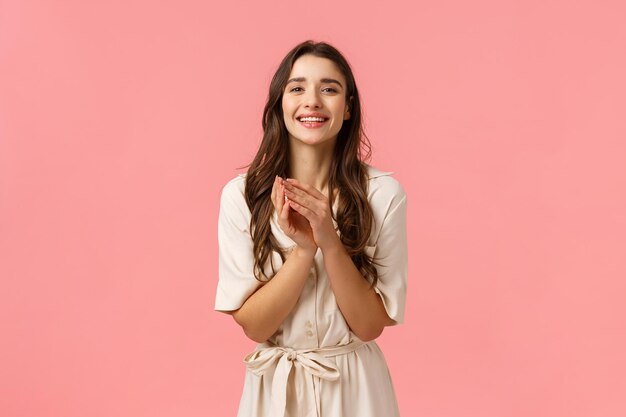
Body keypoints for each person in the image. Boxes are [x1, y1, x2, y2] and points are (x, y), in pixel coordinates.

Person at [215, 39, 408, 417]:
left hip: (357, 393)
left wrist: (330, 242)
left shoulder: (384, 195)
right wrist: (303, 251)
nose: (313, 101)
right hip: (274, 394)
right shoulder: (242, 196)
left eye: (329, 89)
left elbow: (369, 326)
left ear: (348, 107)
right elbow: (255, 326)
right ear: (280, 104)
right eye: (298, 87)